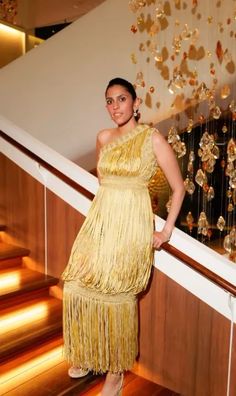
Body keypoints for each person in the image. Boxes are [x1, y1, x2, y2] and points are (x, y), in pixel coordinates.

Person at [62, 77, 185, 395]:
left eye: (121, 99)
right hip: (102, 220)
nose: (114, 106)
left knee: (119, 296)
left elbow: (178, 187)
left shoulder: (152, 139)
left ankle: (115, 374)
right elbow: (103, 181)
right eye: (109, 101)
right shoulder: (103, 137)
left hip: (132, 225)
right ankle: (90, 354)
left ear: (135, 103)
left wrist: (166, 231)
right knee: (77, 284)